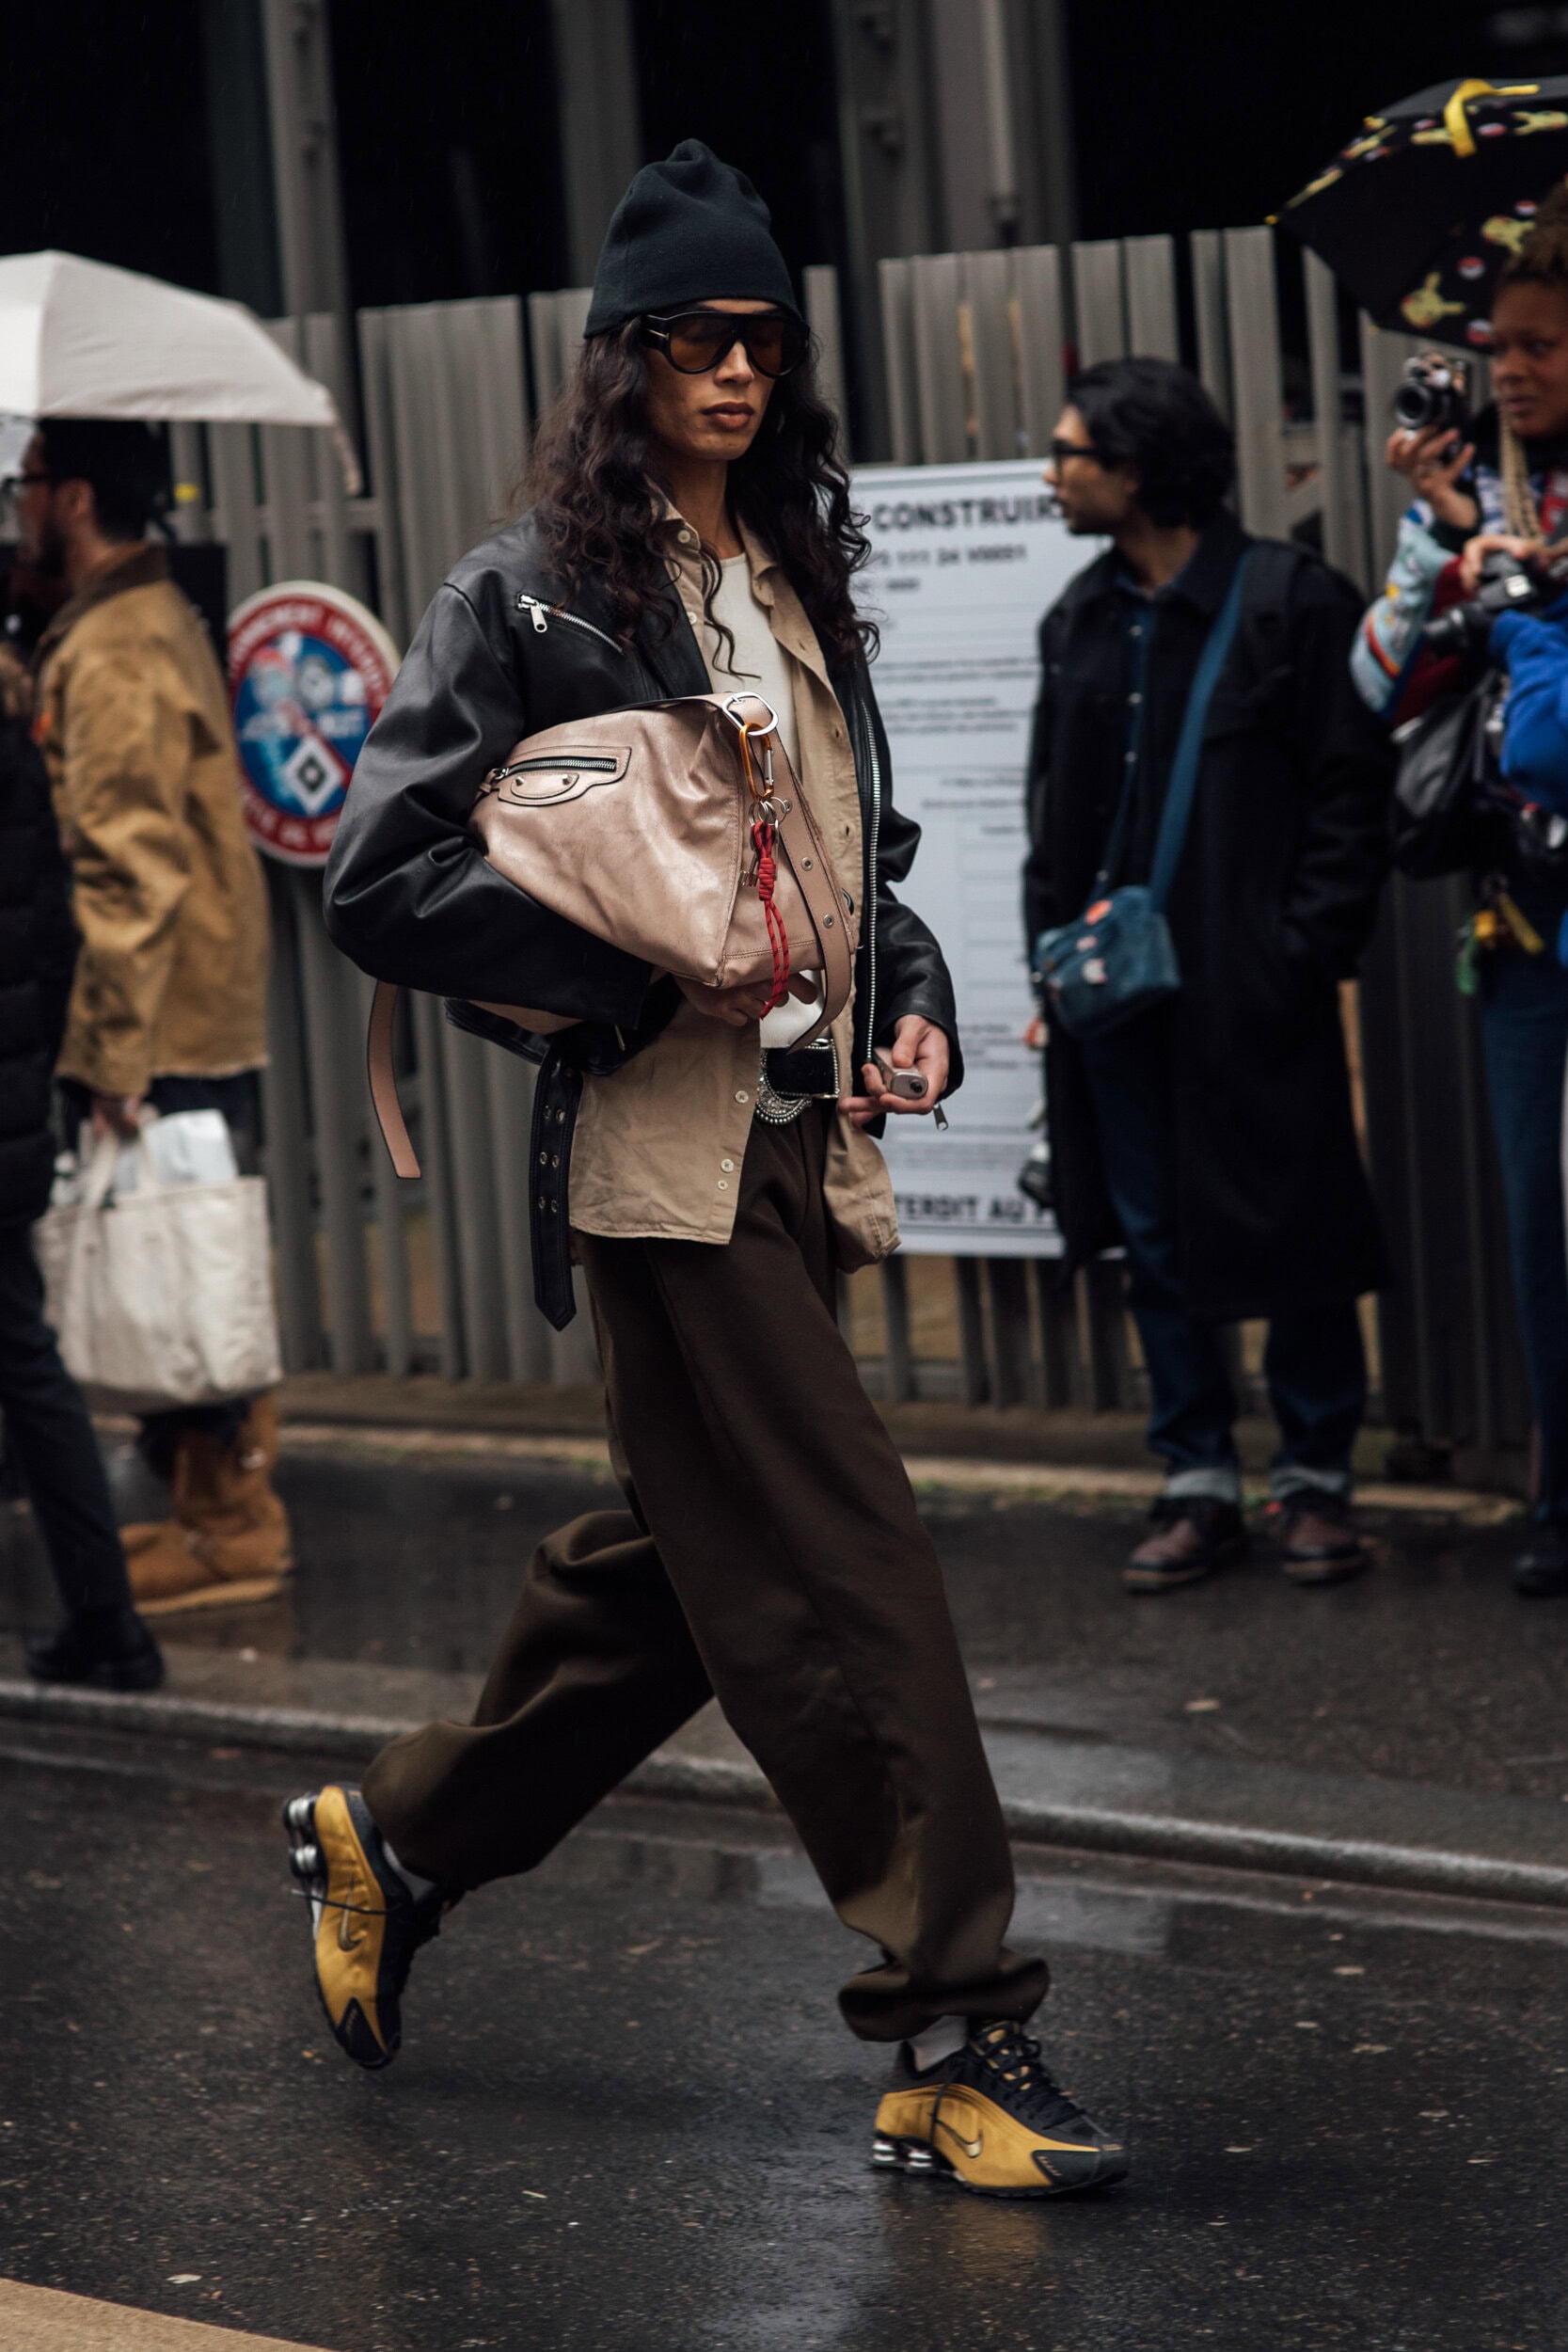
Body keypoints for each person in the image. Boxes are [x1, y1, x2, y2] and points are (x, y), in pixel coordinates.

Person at [291, 141, 1126, 2200]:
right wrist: (626, 979)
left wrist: (906, 992)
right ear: (622, 359)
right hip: (659, 1162)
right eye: (691, 338)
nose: (734, 370)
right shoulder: (527, 592)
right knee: (845, 1561)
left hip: (796, 1145)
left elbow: (848, 866)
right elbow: (380, 874)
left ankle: (403, 1834)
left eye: (760, 337)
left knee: (697, 1571)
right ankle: (951, 2026)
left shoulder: (790, 573)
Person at [1024, 358, 1394, 1594]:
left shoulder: (1290, 600)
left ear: (1134, 470)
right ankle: (1194, 1475)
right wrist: (1049, 974)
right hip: (1111, 996)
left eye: (1069, 453)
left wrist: (1300, 952)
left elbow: (1350, 795)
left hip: (1251, 986)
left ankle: (1313, 1475)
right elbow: (1047, 818)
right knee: (1150, 1233)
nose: (1050, 474)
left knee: (1289, 1217)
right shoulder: (1077, 618)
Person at [14, 419, 292, 1612]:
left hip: (161, 1012)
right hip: (184, 998)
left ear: (73, 497)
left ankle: (233, 1525)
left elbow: (127, 866)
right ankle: (205, 1509)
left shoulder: (118, 641)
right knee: (180, 1244)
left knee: (185, 1249)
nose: (17, 503)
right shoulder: (130, 618)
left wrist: (114, 1051)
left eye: (27, 481)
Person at [1352, 188, 1568, 1599]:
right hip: (1518, 923)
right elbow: (1375, 683)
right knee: (1537, 1218)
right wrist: (1441, 547)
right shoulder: (1473, 496)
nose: (1510, 369)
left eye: (1541, 344)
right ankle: (1559, 1494)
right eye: (1499, 345)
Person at [0, 639, 162, 1690]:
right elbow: (52, 931)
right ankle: (107, 1618)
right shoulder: (17, 734)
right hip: (14, 1100)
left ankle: (111, 1621)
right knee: (27, 1358)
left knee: (26, 1356)